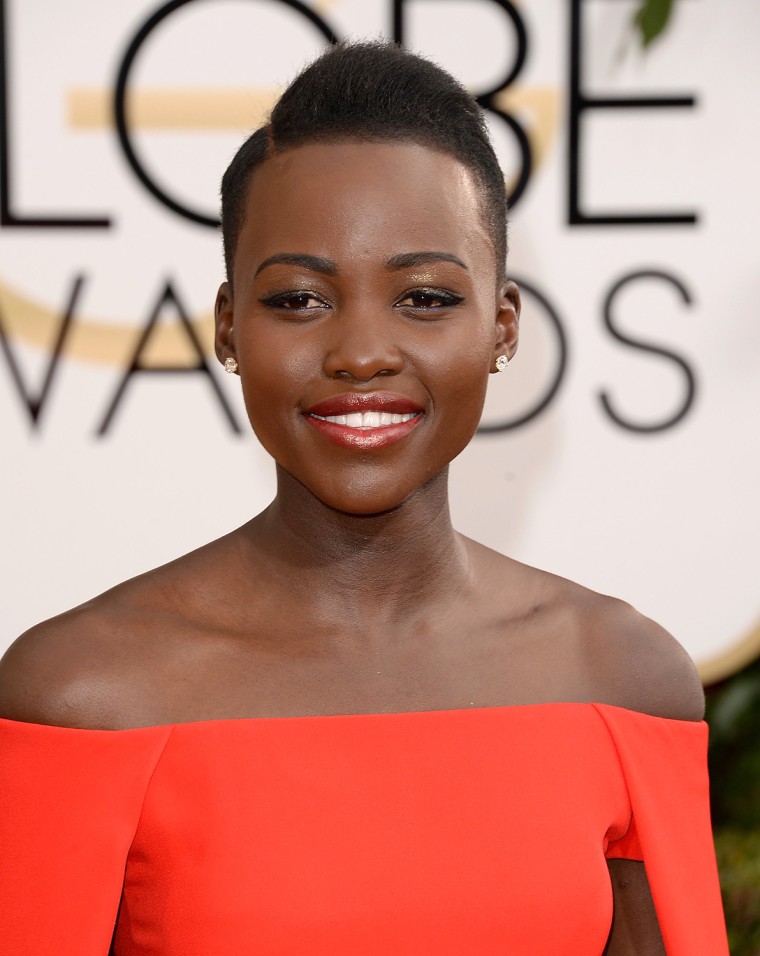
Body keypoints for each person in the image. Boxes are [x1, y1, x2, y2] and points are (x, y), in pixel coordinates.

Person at [0, 41, 727, 955]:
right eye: (300, 299)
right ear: (229, 328)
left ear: (501, 327)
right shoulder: (84, 696)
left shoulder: (623, 680)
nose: (360, 353)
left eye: (424, 297)